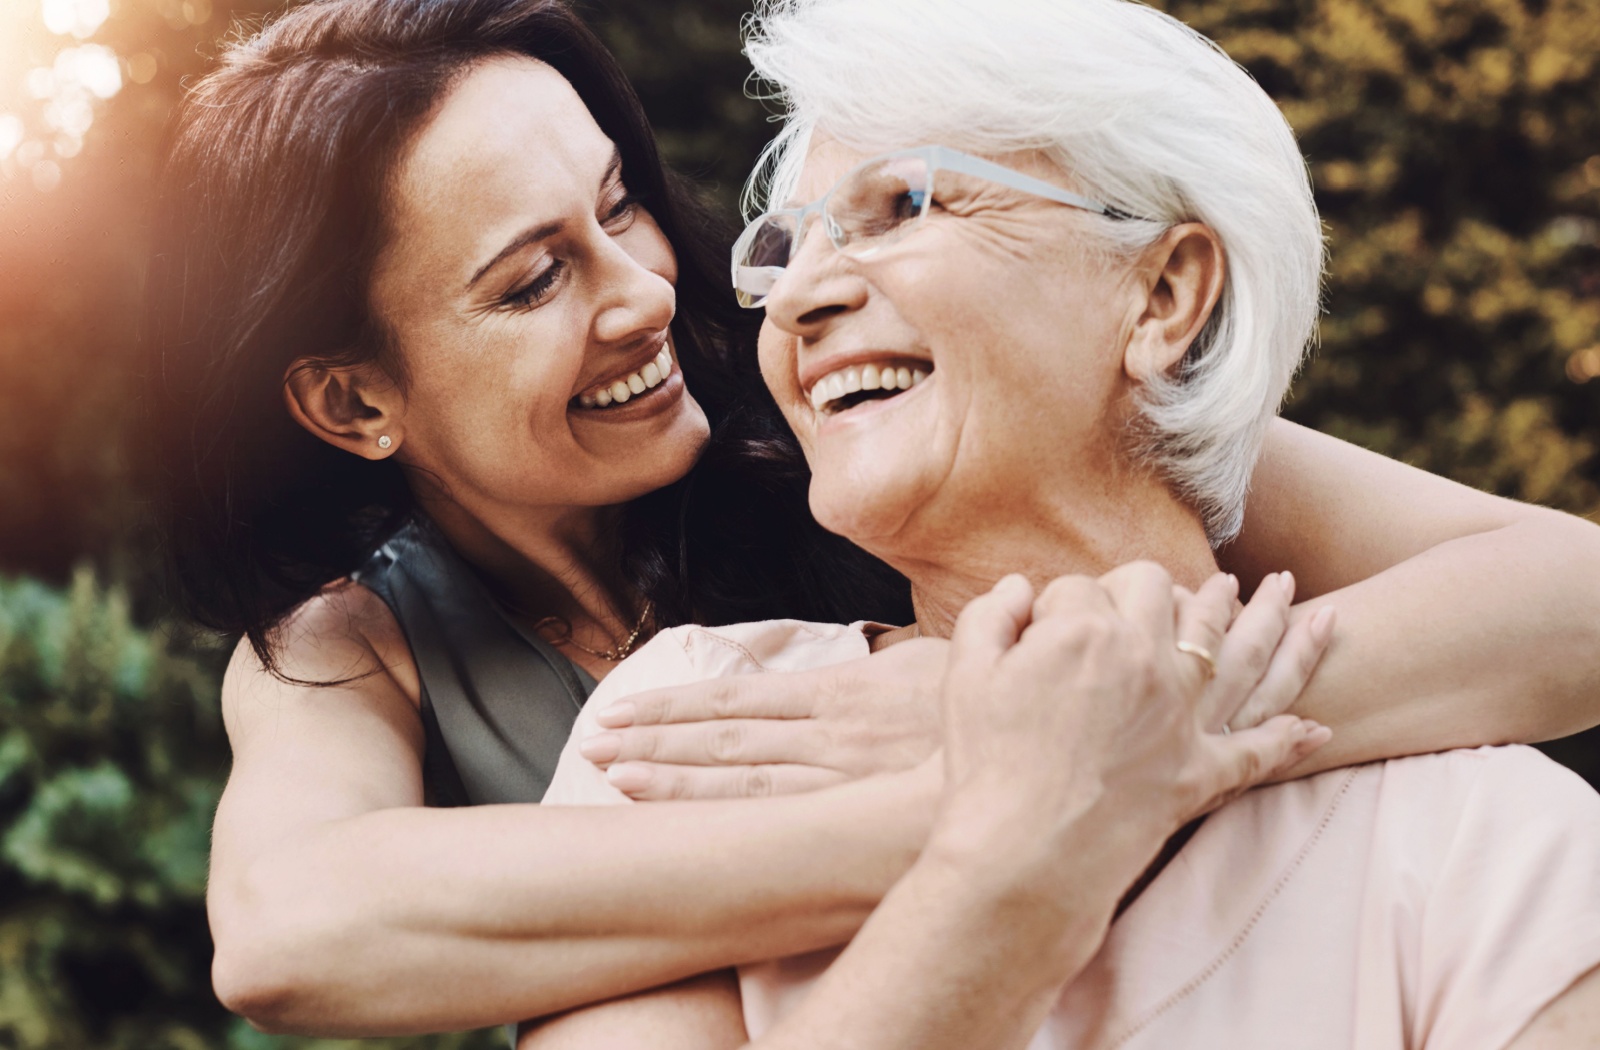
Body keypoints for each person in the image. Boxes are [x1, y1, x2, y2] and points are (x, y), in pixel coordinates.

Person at [142, 0, 1600, 1037]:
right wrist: (1007, 789)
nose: (652, 292)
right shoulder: (355, 646)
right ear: (355, 404)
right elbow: (293, 927)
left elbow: (1566, 594)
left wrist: (1114, 714)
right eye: (533, 281)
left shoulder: (886, 410)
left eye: (622, 204)